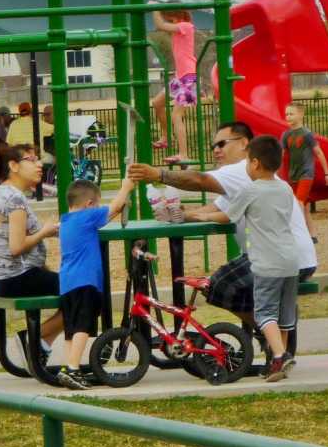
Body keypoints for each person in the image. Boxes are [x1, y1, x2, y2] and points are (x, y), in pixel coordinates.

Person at [130, 121, 317, 326]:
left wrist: (159, 175)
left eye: (222, 144)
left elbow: (200, 180)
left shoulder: (240, 169)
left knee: (221, 285)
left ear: (244, 143)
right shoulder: (248, 176)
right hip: (294, 255)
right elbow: (217, 209)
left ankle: (270, 337)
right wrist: (181, 213)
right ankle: (274, 337)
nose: (216, 150)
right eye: (213, 146)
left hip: (276, 256)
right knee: (229, 288)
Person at [199, 136, 298, 382]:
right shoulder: (285, 187)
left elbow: (228, 215)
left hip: (267, 262)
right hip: (291, 260)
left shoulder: (251, 190)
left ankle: (280, 355)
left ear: (254, 163)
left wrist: (199, 217)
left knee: (264, 313)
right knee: (284, 315)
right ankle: (279, 360)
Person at [0, 143, 63, 366]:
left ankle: (41, 343)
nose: (39, 164)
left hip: (4, 278)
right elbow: (16, 247)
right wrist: (45, 231)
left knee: (80, 290)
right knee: (86, 292)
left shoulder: (2, 193)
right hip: (19, 278)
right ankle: (34, 339)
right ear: (13, 166)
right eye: (31, 159)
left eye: (38, 159)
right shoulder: (14, 199)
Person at [57, 172, 134, 390]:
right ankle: (73, 367)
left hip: (68, 282)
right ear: (89, 204)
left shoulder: (67, 220)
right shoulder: (86, 217)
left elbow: (106, 216)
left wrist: (115, 209)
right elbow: (113, 207)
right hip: (86, 281)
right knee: (83, 324)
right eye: (96, 204)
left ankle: (68, 366)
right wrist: (126, 187)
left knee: (71, 328)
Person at [150, 0, 197, 163]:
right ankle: (165, 137)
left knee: (177, 116)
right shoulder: (178, 29)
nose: (169, 22)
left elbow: (160, 25)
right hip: (180, 77)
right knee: (157, 103)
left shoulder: (186, 26)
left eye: (170, 18)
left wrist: (154, 9)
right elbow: (160, 26)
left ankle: (184, 154)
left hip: (188, 77)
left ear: (176, 15)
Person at [282, 102, 328, 242]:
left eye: (291, 114)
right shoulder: (286, 135)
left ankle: (299, 235)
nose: (288, 116)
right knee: (305, 207)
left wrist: (327, 174)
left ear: (301, 115)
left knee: (298, 204)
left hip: (306, 173)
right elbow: (281, 154)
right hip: (293, 175)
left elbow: (319, 153)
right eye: (286, 114)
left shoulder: (307, 134)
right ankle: (313, 235)